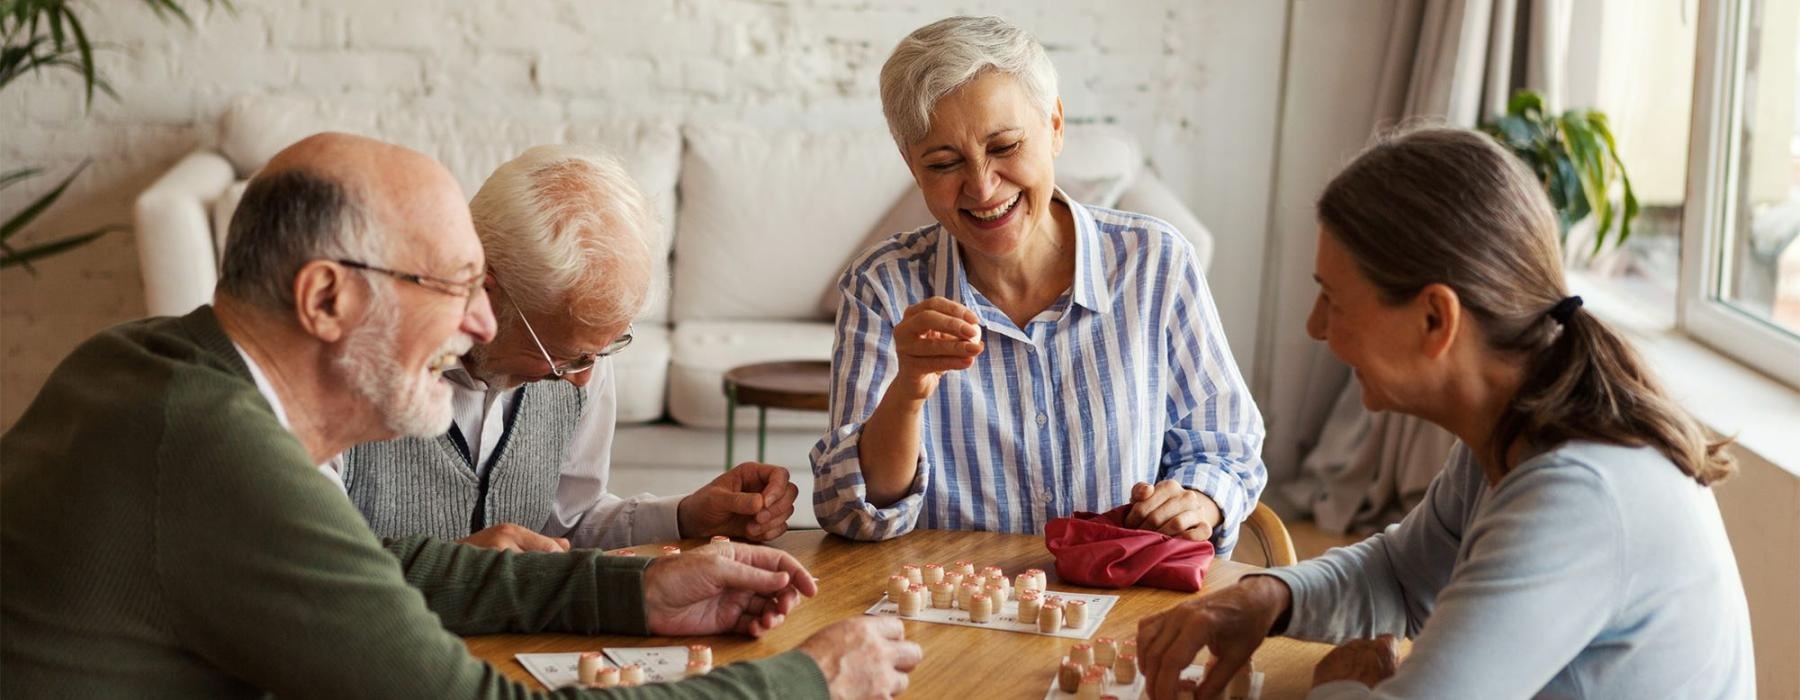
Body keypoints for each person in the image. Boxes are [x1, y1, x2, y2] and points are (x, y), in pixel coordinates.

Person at [0, 133, 919, 698]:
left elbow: (373, 569)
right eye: (450, 286)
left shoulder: (150, 366)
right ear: (325, 300)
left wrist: (630, 589)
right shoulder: (216, 450)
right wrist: (807, 681)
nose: (476, 323)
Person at [1134, 127, 1755, 699]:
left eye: (1333, 299)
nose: (1315, 327)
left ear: (1436, 319)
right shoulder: (1509, 432)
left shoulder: (1577, 498)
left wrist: (1342, 687)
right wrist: (1266, 598)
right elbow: (1403, 574)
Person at [811, 16, 1266, 551]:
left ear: (1054, 125)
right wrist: (908, 391)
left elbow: (1225, 448)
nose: (982, 188)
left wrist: (1197, 500)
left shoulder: (1155, 262)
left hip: (1120, 602)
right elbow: (852, 511)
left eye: (1003, 147)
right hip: (952, 616)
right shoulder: (880, 287)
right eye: (944, 162)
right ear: (913, 167)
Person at [339, 144, 797, 553]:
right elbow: (301, 571)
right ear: (486, 290)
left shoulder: (584, 351)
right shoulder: (350, 368)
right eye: (564, 356)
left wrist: (686, 517)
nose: (581, 378)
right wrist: (461, 564)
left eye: (601, 351)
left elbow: (570, 522)